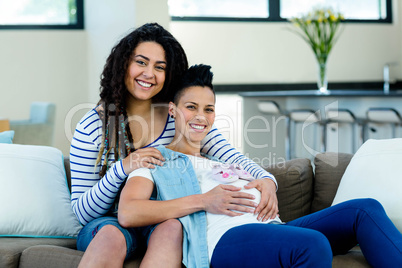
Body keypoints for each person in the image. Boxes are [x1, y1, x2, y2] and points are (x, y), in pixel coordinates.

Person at [119, 64, 402, 268]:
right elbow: (129, 212)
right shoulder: (157, 159)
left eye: (208, 109)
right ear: (173, 110)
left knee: (364, 209)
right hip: (224, 239)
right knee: (313, 244)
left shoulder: (220, 159)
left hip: (275, 229)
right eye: (191, 107)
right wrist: (204, 201)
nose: (200, 117)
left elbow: (261, 177)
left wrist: (267, 182)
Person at [70, 23, 278, 267]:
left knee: (172, 229)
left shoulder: (177, 115)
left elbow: (232, 157)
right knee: (111, 235)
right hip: (109, 223)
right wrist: (122, 169)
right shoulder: (92, 126)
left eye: (160, 67)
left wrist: (268, 181)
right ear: (123, 64)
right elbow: (82, 212)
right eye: (141, 62)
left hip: (164, 216)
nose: (149, 74)